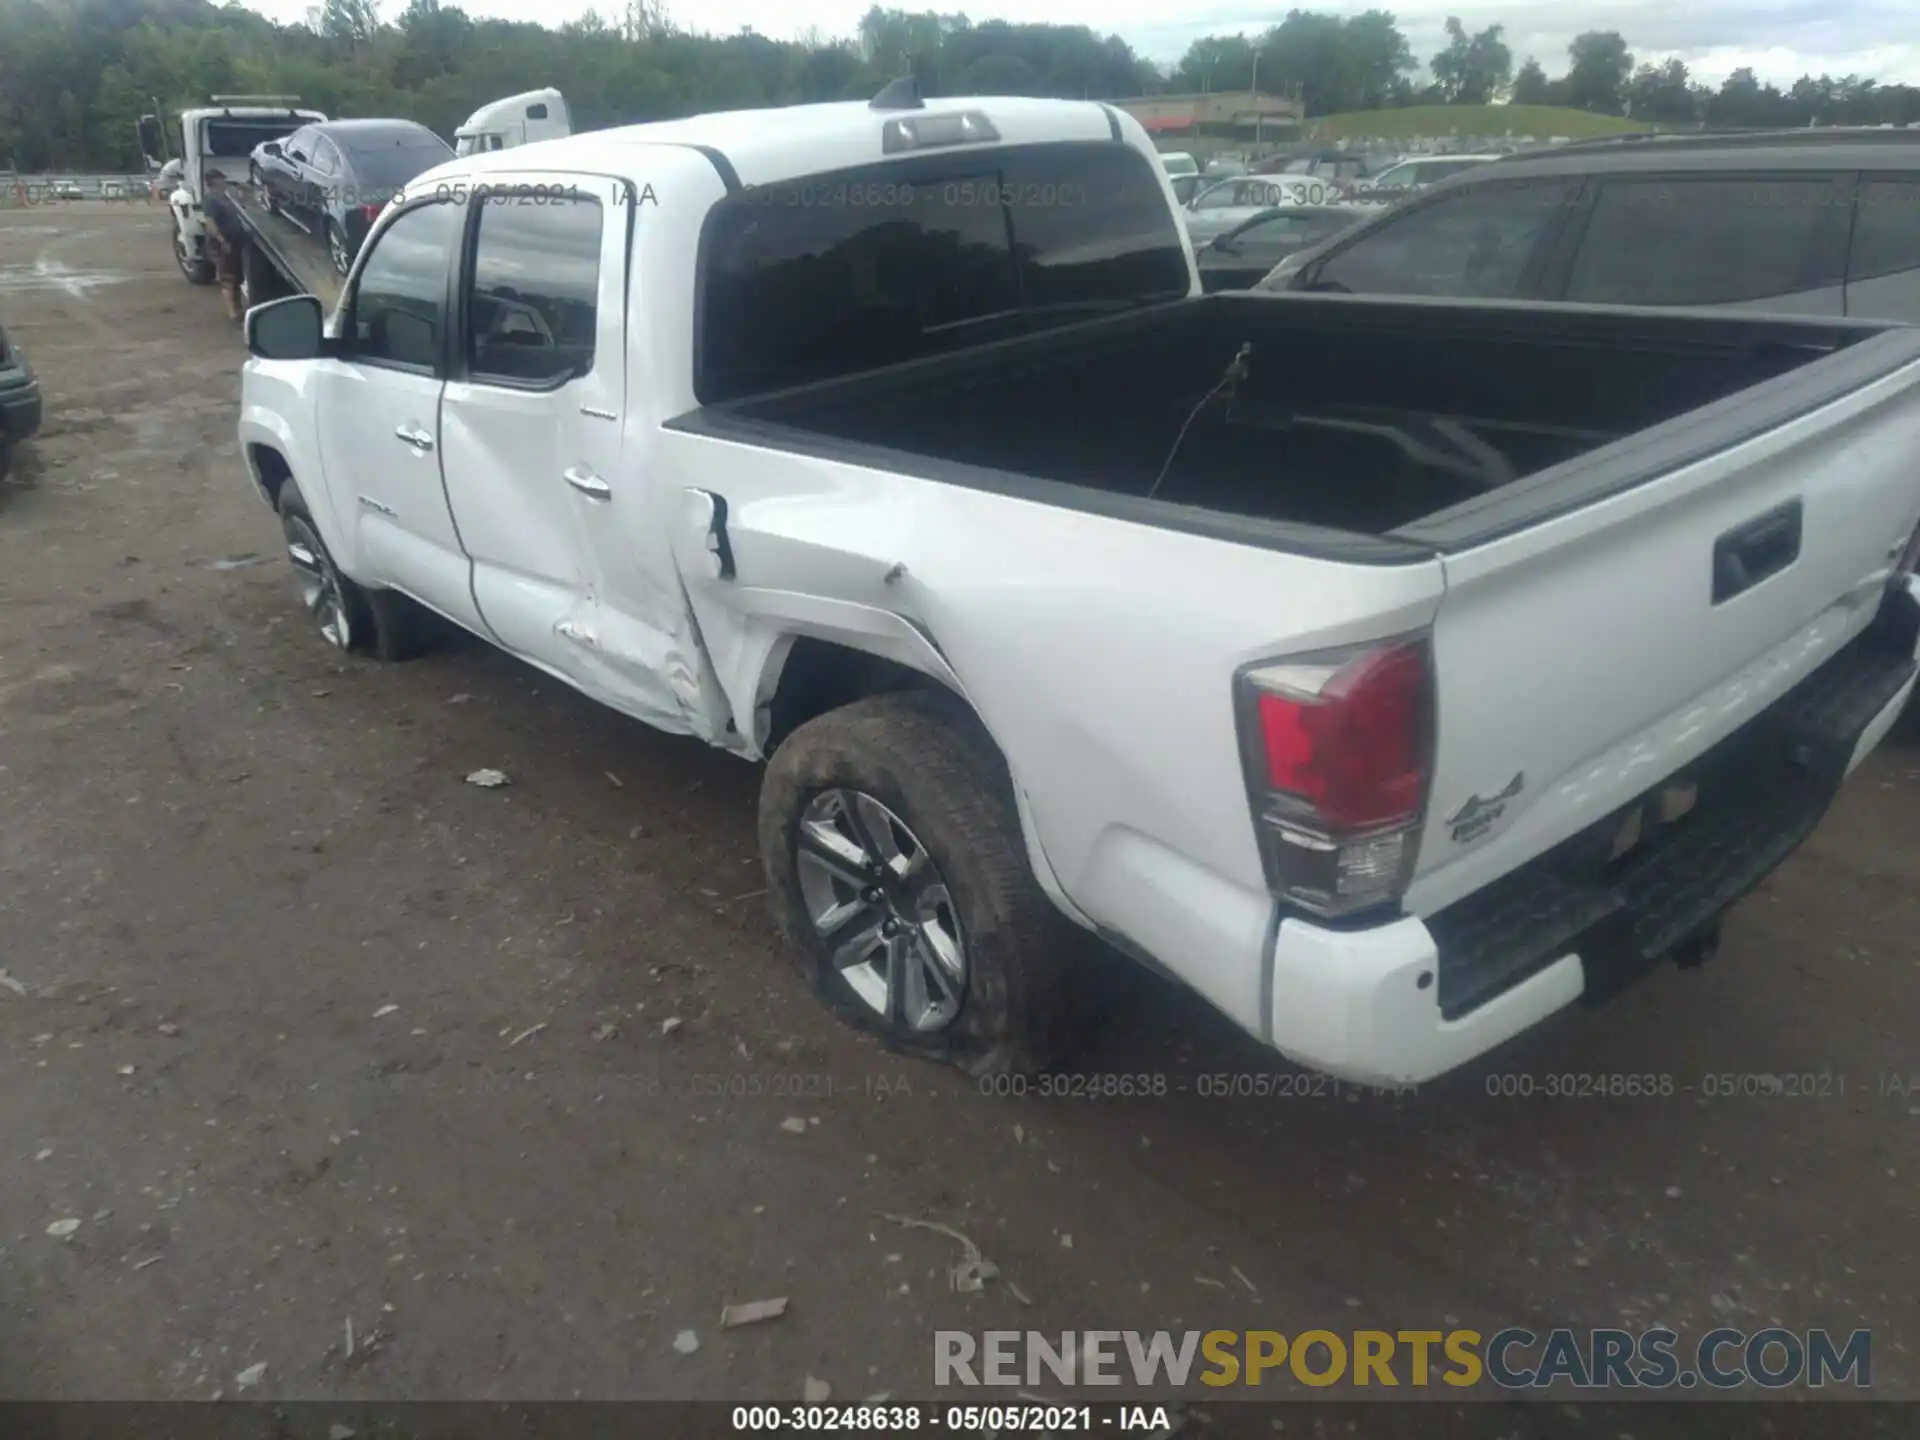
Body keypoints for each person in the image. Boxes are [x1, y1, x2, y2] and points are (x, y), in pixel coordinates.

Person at [200, 171, 248, 321]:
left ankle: (238, 308)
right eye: (222, 179)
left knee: (237, 277)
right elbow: (210, 223)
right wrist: (221, 241)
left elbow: (246, 200)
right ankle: (232, 312)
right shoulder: (211, 200)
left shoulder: (226, 198)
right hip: (221, 244)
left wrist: (242, 188)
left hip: (234, 242)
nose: (225, 182)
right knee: (227, 277)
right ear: (214, 182)